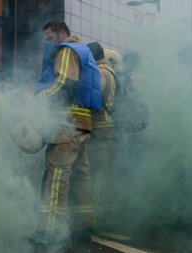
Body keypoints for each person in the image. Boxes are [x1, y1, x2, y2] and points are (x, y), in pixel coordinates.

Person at [33, 20, 101, 250]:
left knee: (56, 177)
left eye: (51, 37)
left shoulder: (67, 50)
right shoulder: (86, 53)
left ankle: (48, 233)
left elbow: (62, 83)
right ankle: (83, 228)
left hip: (67, 124)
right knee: (82, 179)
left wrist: (36, 99)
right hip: (83, 124)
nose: (49, 43)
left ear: (63, 33)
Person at [86, 42, 118, 232]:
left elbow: (95, 97)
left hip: (101, 130)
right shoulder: (112, 72)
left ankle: (95, 217)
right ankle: (103, 215)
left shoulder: (101, 73)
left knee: (97, 174)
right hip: (110, 130)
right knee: (104, 174)